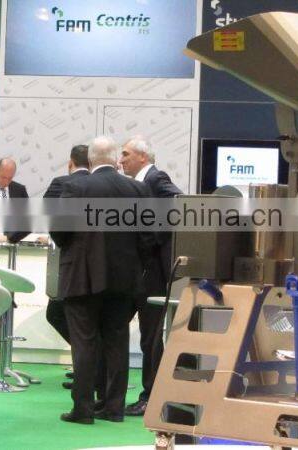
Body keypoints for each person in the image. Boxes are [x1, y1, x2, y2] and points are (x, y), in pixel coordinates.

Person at [50, 136, 153, 424]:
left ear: (91, 159)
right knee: (117, 342)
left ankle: (83, 409)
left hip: (82, 276)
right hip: (124, 279)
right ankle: (113, 407)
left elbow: (59, 231)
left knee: (84, 343)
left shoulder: (75, 187)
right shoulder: (137, 189)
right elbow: (148, 237)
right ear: (115, 158)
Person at [119, 135, 182, 416]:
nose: (121, 160)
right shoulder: (138, 183)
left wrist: (150, 240)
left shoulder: (156, 178)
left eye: (126, 154)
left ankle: (152, 397)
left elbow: (178, 203)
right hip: (142, 271)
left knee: (151, 338)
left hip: (154, 273)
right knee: (147, 337)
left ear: (143, 157)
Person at [42, 144, 90, 390]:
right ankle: (89, 366)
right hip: (103, 267)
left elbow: (52, 219)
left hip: (71, 265)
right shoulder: (107, 185)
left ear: (71, 163)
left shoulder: (62, 183)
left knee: (59, 314)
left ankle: (88, 366)